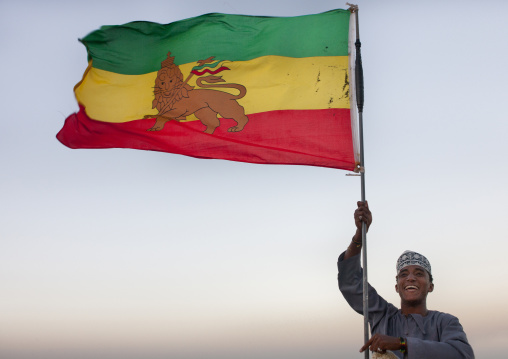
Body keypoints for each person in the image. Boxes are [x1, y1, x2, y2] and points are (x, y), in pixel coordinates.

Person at [338, 201, 474, 358]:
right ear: (397, 286)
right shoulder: (383, 316)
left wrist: (402, 344)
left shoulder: (445, 322)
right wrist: (359, 236)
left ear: (431, 286)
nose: (410, 278)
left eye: (419, 273)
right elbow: (350, 281)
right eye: (404, 274)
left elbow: (463, 354)